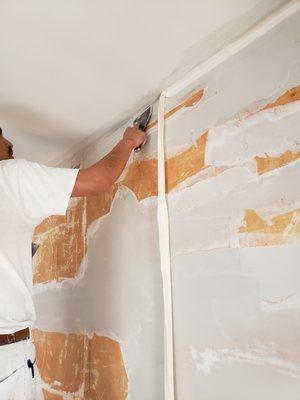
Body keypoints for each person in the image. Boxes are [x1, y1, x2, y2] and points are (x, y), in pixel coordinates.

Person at [0, 125, 147, 399]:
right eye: (2, 135)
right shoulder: (9, 176)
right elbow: (98, 180)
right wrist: (128, 142)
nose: (10, 142)